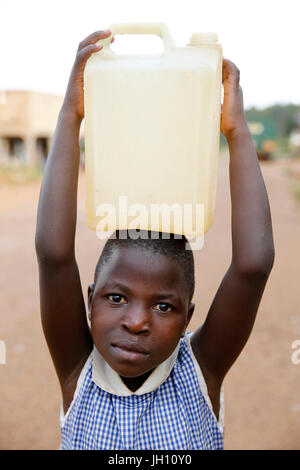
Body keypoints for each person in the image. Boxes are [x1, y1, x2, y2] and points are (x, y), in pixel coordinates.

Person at [35, 30, 275, 450]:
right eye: (115, 298)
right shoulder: (79, 372)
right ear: (89, 300)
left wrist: (236, 131)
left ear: (188, 318)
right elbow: (53, 256)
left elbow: (253, 266)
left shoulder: (200, 371)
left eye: (164, 306)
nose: (136, 321)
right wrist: (71, 116)